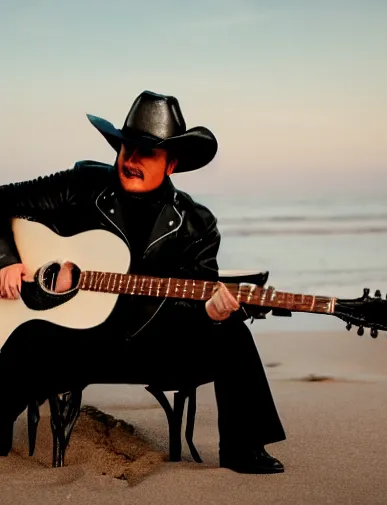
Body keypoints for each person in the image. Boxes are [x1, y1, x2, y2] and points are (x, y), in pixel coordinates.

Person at [0, 90, 286, 474]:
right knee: (21, 339)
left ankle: (244, 448)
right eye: (126, 148)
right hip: (70, 341)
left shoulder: (197, 222)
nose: (130, 160)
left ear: (171, 164)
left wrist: (214, 313)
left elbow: (198, 294)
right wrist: (8, 259)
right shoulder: (82, 186)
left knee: (232, 333)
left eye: (146, 153)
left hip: (152, 346)